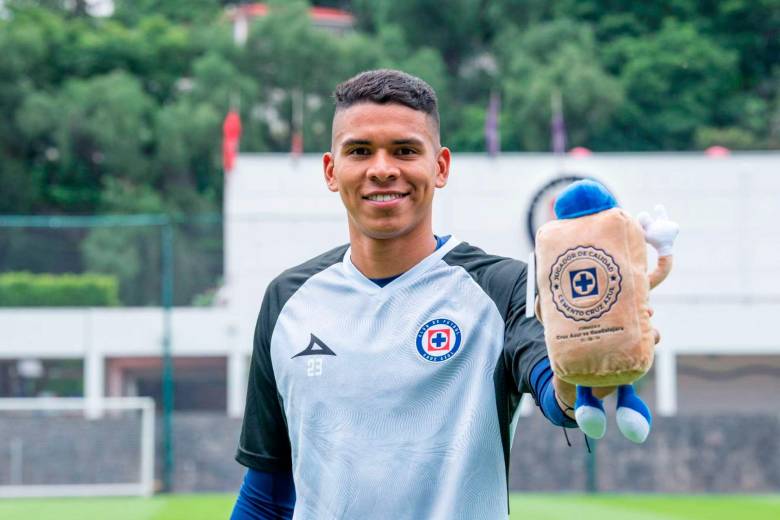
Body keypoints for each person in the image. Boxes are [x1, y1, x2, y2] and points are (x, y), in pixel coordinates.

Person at [230, 69, 606, 519]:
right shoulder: (287, 301)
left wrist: (590, 358)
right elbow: (266, 494)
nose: (383, 169)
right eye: (360, 151)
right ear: (332, 170)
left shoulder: (503, 287)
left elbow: (559, 397)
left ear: (440, 166)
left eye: (405, 150)